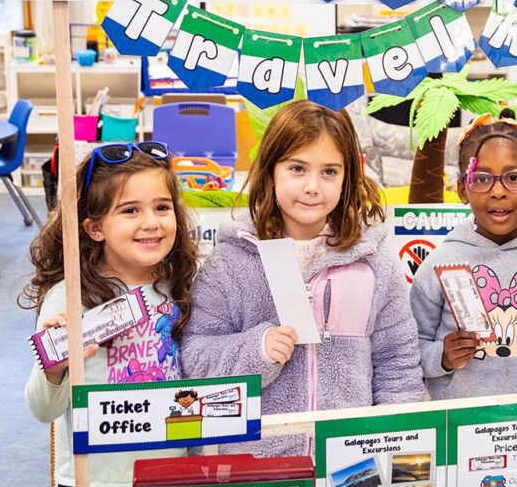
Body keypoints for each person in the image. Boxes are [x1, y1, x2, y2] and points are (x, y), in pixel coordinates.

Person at [180, 100, 424, 456]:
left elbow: (398, 361)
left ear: (348, 177)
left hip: (349, 467)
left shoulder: (375, 261)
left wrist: (395, 449)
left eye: (329, 172)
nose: (313, 186)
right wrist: (257, 350)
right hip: (258, 474)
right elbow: (196, 358)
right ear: (270, 171)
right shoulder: (232, 262)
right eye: (297, 168)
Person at [22, 143, 199, 487]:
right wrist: (56, 367)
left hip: (172, 479)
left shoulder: (184, 288)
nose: (151, 222)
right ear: (95, 227)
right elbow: (41, 409)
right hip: (93, 485)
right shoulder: (69, 299)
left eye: (162, 207)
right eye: (130, 210)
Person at [411, 110, 517, 399]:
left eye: (514, 177)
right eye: (481, 179)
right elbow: (409, 347)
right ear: (462, 190)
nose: (498, 192)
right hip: (458, 423)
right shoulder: (441, 263)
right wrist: (442, 356)